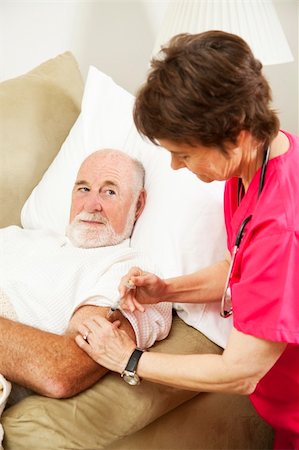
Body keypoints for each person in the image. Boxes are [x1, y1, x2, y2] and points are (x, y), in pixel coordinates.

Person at [75, 31, 299, 450]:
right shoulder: (260, 166)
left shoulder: (282, 224)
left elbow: (240, 372)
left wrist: (130, 359)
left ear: (235, 134)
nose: (176, 167)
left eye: (185, 153)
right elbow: (245, 269)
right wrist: (167, 289)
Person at [0, 148, 172, 403]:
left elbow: (61, 369)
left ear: (138, 205)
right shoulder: (17, 236)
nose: (92, 205)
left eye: (110, 191)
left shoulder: (128, 270)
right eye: (83, 189)